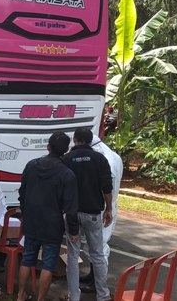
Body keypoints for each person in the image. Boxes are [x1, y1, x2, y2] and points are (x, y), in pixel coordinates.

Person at [16, 132, 78, 301]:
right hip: (52, 223)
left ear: (48, 146)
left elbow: (22, 192)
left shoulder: (31, 165)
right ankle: (40, 298)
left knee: (27, 259)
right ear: (65, 150)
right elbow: (71, 207)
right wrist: (73, 229)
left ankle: (20, 294)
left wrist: (25, 211)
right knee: (48, 264)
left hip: (31, 220)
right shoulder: (67, 174)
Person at [62, 128, 113, 301]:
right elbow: (107, 186)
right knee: (97, 254)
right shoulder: (100, 159)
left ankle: (74, 296)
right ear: (90, 141)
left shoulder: (66, 159)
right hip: (93, 214)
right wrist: (109, 209)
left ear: (75, 140)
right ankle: (103, 295)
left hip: (72, 215)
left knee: (73, 255)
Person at [78, 135, 124, 292]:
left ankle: (98, 285)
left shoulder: (104, 158)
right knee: (93, 247)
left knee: (99, 249)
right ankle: (93, 278)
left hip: (103, 208)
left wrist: (106, 208)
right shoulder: (114, 155)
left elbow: (106, 186)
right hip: (106, 206)